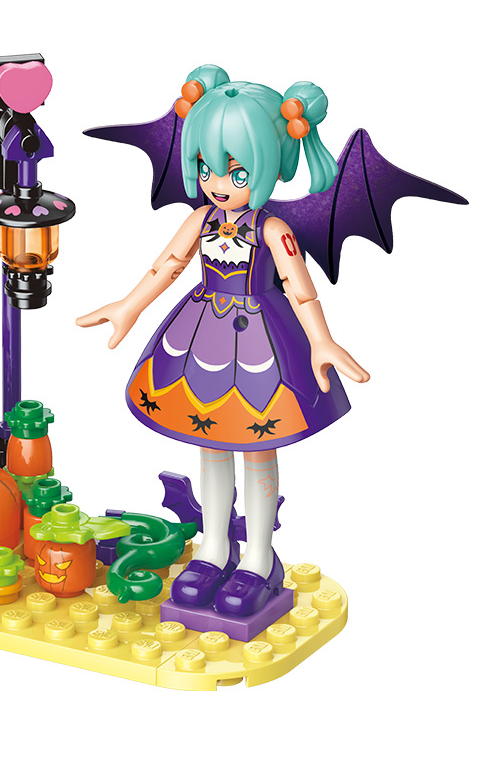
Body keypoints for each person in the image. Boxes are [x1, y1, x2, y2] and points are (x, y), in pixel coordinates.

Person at [77, 65, 369, 616]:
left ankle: (258, 557)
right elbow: (167, 266)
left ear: (268, 167)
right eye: (205, 167)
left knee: (257, 447)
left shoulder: (274, 230)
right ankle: (213, 548)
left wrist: (322, 341)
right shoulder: (201, 219)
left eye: (236, 172)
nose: (217, 182)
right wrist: (129, 306)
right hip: (201, 340)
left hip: (262, 345)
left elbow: (300, 290)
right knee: (209, 445)